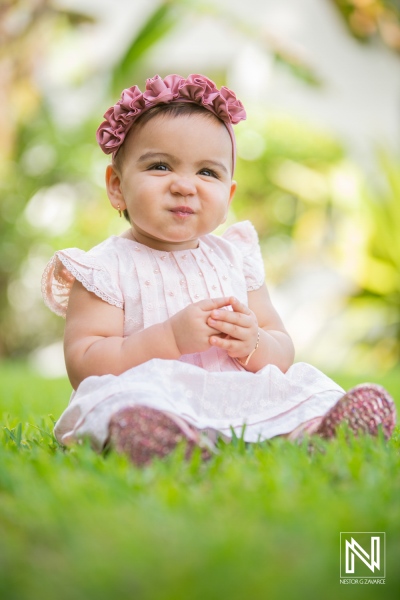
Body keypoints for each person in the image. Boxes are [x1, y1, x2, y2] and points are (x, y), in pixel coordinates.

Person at [42, 74, 396, 466]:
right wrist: (169, 338)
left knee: (302, 385)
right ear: (117, 186)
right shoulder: (106, 268)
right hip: (155, 394)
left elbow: (281, 346)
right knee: (116, 403)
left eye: (207, 172)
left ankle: (319, 430)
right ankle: (162, 438)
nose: (185, 186)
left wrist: (254, 343)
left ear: (228, 195)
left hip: (234, 391)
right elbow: (85, 364)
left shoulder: (235, 256)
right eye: (160, 166)